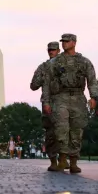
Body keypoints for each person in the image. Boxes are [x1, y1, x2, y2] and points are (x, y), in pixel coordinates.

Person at [41, 33, 98, 174]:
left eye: (67, 41)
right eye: (63, 41)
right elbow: (47, 83)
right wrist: (46, 102)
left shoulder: (84, 61)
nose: (64, 43)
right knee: (61, 128)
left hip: (78, 98)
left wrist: (94, 97)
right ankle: (62, 157)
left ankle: (73, 161)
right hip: (60, 98)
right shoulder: (54, 62)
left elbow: (92, 81)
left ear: (74, 42)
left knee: (77, 130)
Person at [31, 41, 64, 171]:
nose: (51, 52)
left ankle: (63, 158)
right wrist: (41, 77)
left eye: (54, 50)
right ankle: (53, 160)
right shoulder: (43, 67)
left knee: (64, 131)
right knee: (50, 133)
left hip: (63, 101)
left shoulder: (65, 65)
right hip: (48, 103)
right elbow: (33, 85)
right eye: (49, 50)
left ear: (58, 51)